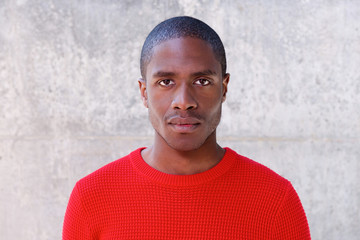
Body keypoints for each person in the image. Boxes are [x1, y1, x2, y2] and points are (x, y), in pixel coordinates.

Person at [63, 16, 311, 239]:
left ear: (224, 88)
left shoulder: (276, 200)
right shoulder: (91, 198)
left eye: (202, 81)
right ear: (144, 92)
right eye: (166, 81)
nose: (184, 101)